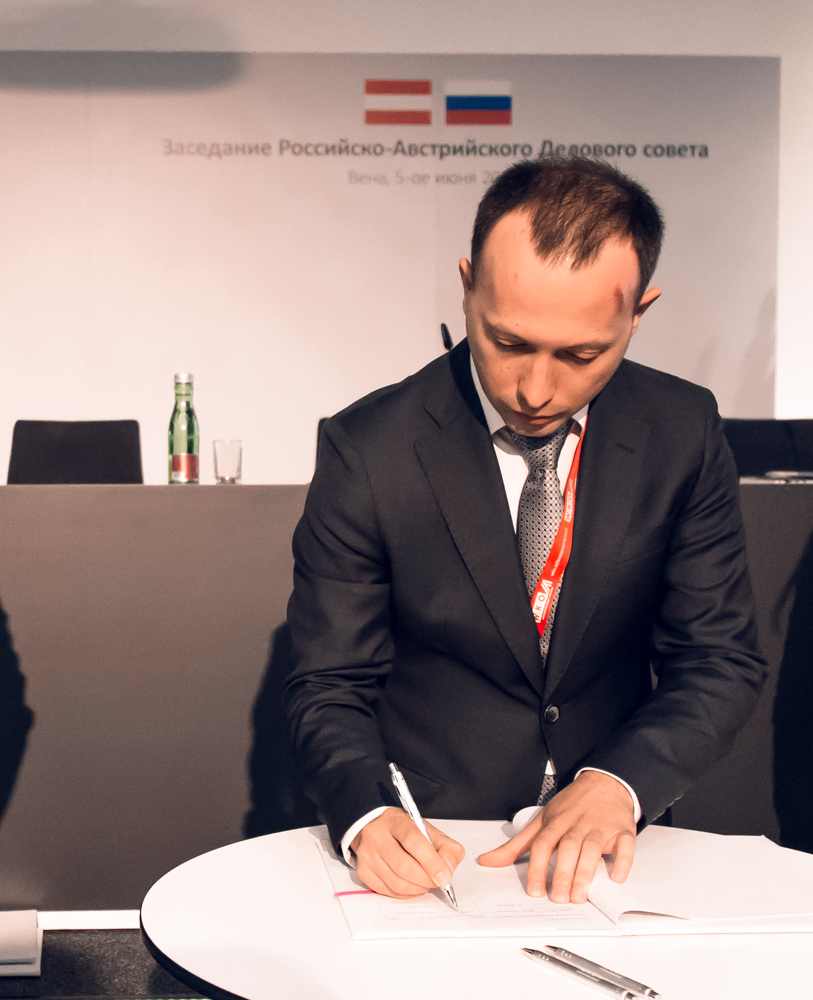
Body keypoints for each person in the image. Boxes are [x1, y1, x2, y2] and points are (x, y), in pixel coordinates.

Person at [285, 157, 766, 907]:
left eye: (581, 355)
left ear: (639, 313)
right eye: (508, 342)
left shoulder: (683, 430)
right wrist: (367, 813)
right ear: (467, 286)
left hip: (613, 849)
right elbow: (327, 682)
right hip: (435, 849)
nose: (535, 391)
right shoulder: (370, 449)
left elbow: (718, 657)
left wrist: (620, 783)